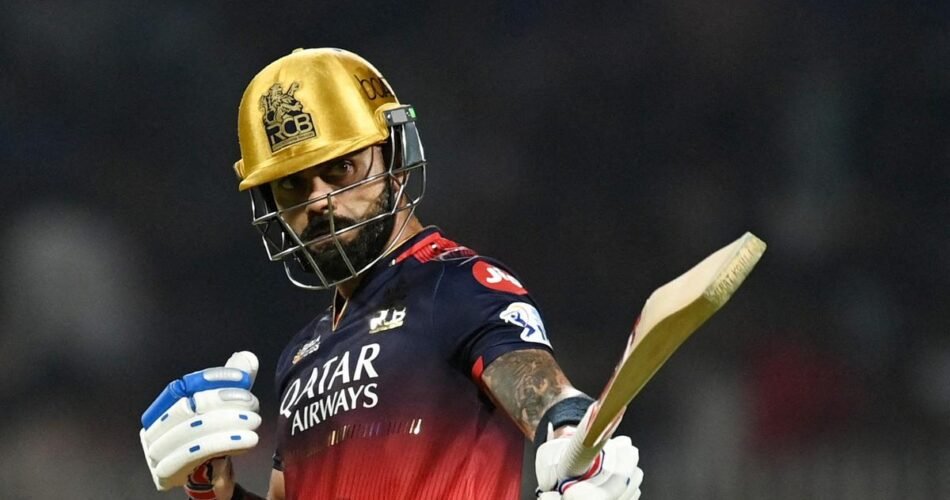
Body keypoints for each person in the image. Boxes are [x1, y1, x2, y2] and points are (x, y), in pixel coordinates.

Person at [139, 48, 643, 500]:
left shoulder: (457, 286)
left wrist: (575, 447)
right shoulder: (299, 357)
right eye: (292, 185)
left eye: (340, 169)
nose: (319, 201)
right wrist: (216, 491)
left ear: (396, 159)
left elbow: (552, 400)